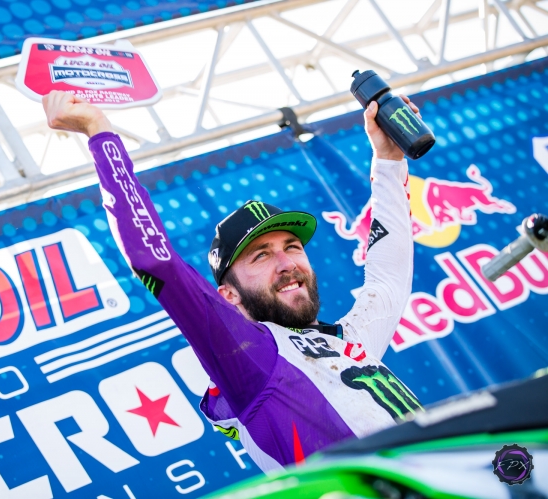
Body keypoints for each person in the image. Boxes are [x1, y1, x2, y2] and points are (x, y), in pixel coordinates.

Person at [42, 91, 422, 472]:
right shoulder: (252, 360)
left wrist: (389, 159)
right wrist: (98, 131)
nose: (287, 263)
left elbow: (389, 273)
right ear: (228, 297)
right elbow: (154, 261)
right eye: (261, 255)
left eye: (292, 247)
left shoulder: (349, 341)